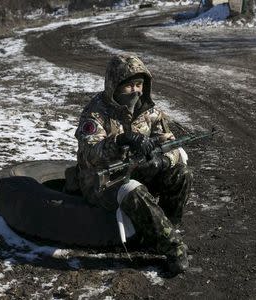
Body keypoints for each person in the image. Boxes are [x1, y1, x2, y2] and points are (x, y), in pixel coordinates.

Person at [74, 54, 192, 274]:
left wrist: (161, 161)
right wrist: (120, 140)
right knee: (133, 191)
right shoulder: (96, 113)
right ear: (114, 86)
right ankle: (173, 248)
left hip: (137, 170)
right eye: (129, 86)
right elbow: (89, 153)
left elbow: (173, 144)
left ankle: (165, 229)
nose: (136, 91)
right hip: (102, 181)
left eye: (139, 85)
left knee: (181, 173)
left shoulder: (150, 111)